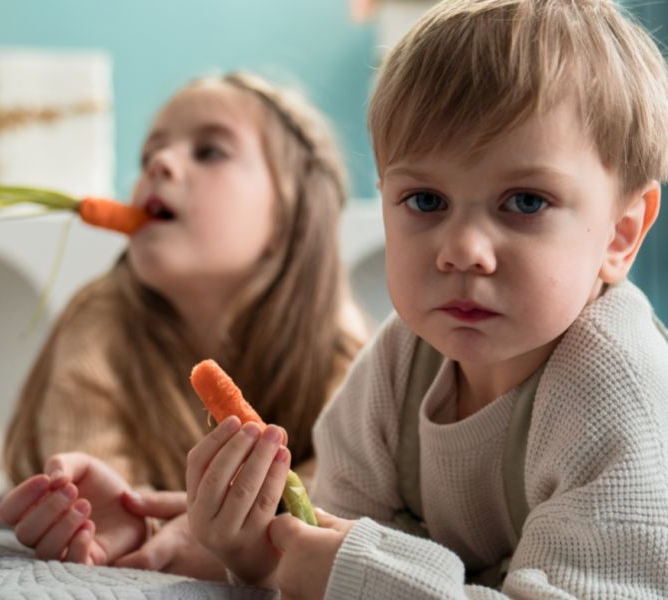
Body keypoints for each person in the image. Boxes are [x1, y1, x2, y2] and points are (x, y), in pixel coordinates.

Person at [186, 1, 668, 597]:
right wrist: (264, 556)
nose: (461, 251)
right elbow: (338, 546)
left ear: (620, 235)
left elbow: (365, 574)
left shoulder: (617, 394)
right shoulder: (399, 364)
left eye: (524, 202)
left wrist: (359, 578)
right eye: (426, 201)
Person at [0, 71, 367, 575]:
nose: (160, 165)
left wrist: (231, 534)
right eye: (148, 157)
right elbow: (97, 472)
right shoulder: (100, 318)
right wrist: (132, 521)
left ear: (290, 214)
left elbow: (352, 487)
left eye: (209, 151)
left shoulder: (337, 338)